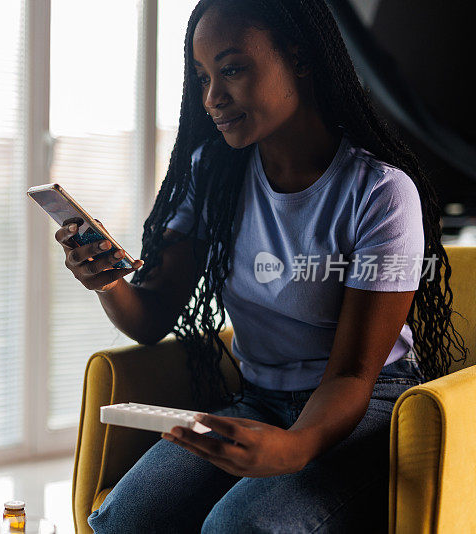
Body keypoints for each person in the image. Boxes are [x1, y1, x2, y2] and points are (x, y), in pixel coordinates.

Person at [54, 0, 469, 532]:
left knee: (238, 527)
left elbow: (350, 374)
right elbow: (149, 317)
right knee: (126, 518)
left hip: (364, 411)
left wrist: (295, 448)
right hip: (259, 400)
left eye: (231, 69)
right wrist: (107, 280)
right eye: (202, 77)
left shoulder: (380, 193)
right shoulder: (214, 175)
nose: (211, 98)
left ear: (298, 58)